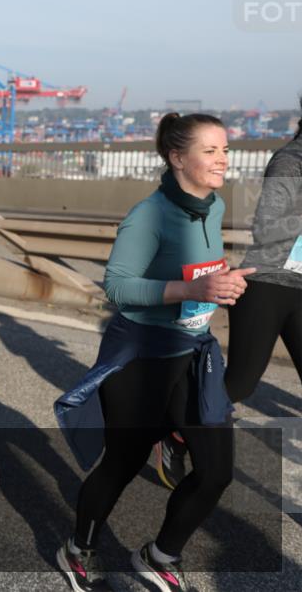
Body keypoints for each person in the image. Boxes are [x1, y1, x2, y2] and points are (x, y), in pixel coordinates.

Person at [54, 113, 255, 592]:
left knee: (217, 471)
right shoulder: (149, 215)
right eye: (210, 151)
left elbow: (203, 269)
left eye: (225, 149)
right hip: (141, 356)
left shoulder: (214, 205)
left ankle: (158, 555)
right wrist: (193, 287)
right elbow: (117, 288)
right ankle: (77, 548)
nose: (222, 159)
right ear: (177, 157)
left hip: (194, 352)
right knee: (123, 462)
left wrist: (221, 282)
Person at [156, 100, 302, 490]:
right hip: (268, 284)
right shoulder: (290, 161)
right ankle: (175, 433)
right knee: (239, 383)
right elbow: (268, 227)